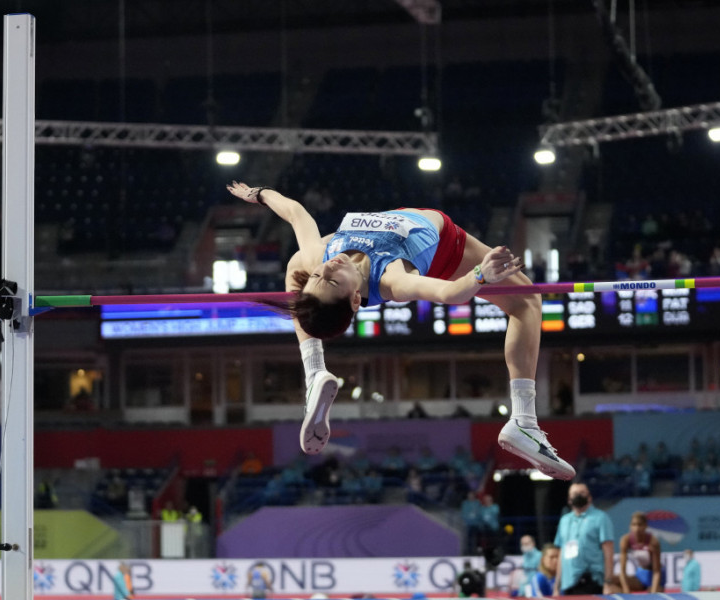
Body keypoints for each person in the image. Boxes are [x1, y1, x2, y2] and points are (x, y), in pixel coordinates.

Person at [225, 182, 575, 481]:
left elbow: (296, 213)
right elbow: (449, 294)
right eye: (331, 280)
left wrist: (259, 194)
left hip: (399, 227)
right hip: (446, 248)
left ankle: (314, 371)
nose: (328, 267)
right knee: (527, 301)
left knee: (297, 267)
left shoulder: (323, 257)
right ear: (356, 299)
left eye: (321, 275)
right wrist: (480, 275)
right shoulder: (392, 278)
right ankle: (523, 422)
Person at [551, 482, 615, 596]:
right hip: (568, 582)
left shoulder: (600, 518)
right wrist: (557, 586)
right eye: (575, 493)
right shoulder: (564, 520)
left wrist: (608, 583)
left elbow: (608, 552)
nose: (578, 496)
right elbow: (562, 553)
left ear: (589, 497)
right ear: (569, 499)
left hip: (591, 579)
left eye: (582, 493)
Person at [606, 511, 664, 594]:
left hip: (655, 577)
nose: (637, 528)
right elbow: (622, 571)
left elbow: (657, 572)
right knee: (609, 581)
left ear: (645, 526)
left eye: (640, 525)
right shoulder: (625, 540)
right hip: (641, 575)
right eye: (634, 525)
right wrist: (626, 590)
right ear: (630, 526)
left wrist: (654, 594)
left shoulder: (653, 542)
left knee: (654, 594)